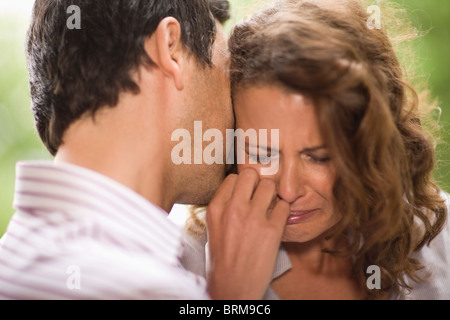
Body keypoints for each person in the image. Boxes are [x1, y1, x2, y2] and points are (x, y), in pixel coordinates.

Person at [0, 0, 291, 300]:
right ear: (170, 47)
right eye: (226, 72)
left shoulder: (15, 259)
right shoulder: (144, 288)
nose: (236, 123)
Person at [182, 0, 450, 300]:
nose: (288, 189)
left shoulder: (439, 239)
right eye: (260, 153)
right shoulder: (185, 262)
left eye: (319, 157)